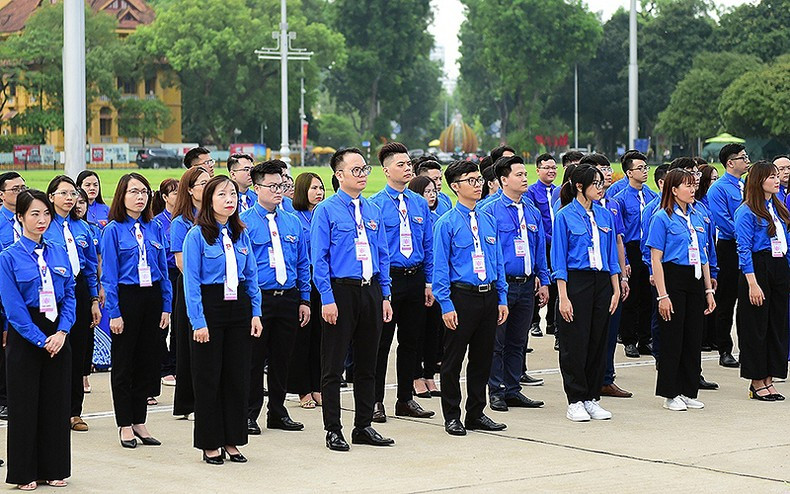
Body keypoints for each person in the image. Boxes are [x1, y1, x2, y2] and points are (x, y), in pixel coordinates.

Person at [311, 147, 394, 451]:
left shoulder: (372, 210)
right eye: (355, 170)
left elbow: (382, 254)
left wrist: (385, 294)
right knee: (333, 365)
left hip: (370, 290)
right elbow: (318, 259)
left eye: (364, 169)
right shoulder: (327, 210)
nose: (361, 175)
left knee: (367, 363)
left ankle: (364, 425)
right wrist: (327, 299)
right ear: (339, 174)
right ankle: (333, 428)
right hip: (340, 290)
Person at [183, 176, 262, 465]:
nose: (230, 199)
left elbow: (251, 275)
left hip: (238, 307)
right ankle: (210, 442)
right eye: (222, 194)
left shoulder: (240, 233)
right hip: (210, 307)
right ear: (209, 200)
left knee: (236, 376)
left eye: (232, 194)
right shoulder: (197, 235)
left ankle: (233, 439)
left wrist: (256, 312)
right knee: (209, 378)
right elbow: (190, 282)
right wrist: (198, 321)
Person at [0, 190, 74, 490]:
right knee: (25, 406)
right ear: (20, 217)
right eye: (34, 214)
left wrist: (62, 332)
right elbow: (13, 308)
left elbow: (69, 293)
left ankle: (54, 468)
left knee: (56, 405)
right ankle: (24, 472)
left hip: (57, 331)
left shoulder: (58, 250)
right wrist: (41, 339)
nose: (42, 220)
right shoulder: (8, 257)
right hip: (27, 335)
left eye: (46, 214)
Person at [433, 159, 509, 436]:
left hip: (488, 296)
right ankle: (452, 415)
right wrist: (445, 304)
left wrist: (502, 297)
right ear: (455, 186)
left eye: (479, 180)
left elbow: (497, 261)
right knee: (453, 360)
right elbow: (440, 268)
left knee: (482, 358)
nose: (478, 185)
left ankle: (476, 412)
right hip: (461, 297)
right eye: (471, 181)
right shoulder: (447, 224)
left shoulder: (488, 219)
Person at [101, 173, 172, 449]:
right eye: (134, 192)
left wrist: (166, 304)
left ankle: (140, 420)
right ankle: (125, 424)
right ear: (122, 195)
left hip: (152, 297)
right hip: (127, 298)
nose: (140, 197)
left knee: (147, 362)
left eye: (144, 192)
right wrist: (115, 313)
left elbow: (164, 272)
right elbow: (108, 275)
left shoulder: (153, 228)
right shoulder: (113, 230)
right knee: (124, 364)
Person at [241, 161, 311, 434]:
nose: (278, 191)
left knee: (283, 358)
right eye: (271, 186)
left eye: (281, 185)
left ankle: (278, 412)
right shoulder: (244, 222)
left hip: (288, 297)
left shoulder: (292, 221)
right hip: (259, 298)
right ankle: (249, 413)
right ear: (257, 188)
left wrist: (304, 299)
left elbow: (303, 263)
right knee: (254, 359)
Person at [370, 142, 435, 423]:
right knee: (381, 343)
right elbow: (375, 251)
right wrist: (383, 290)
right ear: (386, 170)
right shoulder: (375, 205)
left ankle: (405, 398)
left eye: (409, 164)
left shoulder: (419, 203)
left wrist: (429, 282)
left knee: (411, 342)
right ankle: (374, 401)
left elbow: (429, 246)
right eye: (401, 164)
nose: (408, 168)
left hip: (416, 277)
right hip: (390, 279)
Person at [552, 164, 621, 422]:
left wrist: (615, 288)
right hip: (576, 281)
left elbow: (611, 255)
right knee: (575, 343)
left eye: (602, 182)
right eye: (596, 183)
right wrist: (564, 296)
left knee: (598, 340)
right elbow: (558, 259)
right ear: (579, 186)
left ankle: (592, 397)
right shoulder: (565, 216)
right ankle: (575, 399)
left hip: (602, 280)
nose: (601, 188)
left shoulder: (605, 216)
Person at [481, 155, 548, 412]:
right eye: (518, 175)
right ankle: (495, 391)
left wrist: (544, 280)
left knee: (517, 342)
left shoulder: (531, 210)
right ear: (503, 180)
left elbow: (539, 247)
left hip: (527, 284)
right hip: (503, 285)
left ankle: (512, 389)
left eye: (524, 174)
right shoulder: (489, 210)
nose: (524, 178)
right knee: (496, 343)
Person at [648, 169, 716, 411]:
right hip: (673, 277)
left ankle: (688, 390)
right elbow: (656, 259)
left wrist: (708, 290)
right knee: (672, 338)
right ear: (674, 190)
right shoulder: (662, 218)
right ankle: (670, 392)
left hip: (695, 277)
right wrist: (663, 295)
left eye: (693, 185)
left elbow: (704, 255)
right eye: (687, 186)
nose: (692, 189)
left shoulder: (698, 215)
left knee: (692, 337)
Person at [44, 176, 101, 433]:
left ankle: (74, 412)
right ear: (51, 197)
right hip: (51, 290)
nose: (70, 198)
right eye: (63, 193)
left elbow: (90, 268)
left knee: (78, 353)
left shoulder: (83, 228)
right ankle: (51, 411)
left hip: (77, 290)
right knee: (53, 350)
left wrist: (93, 300)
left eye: (73, 194)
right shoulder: (44, 225)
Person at [734, 160, 790, 401]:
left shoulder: (776, 208)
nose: (777, 180)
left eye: (777, 176)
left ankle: (770, 377)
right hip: (758, 268)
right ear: (759, 181)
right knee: (756, 326)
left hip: (779, 266)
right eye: (771, 177)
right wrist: (752, 283)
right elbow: (743, 249)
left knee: (777, 324)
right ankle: (757, 380)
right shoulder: (746, 211)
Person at [587, 155, 632, 399]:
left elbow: (618, 239)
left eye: (606, 169)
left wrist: (623, 272)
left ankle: (606, 378)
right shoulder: (570, 208)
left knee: (611, 327)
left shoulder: (612, 204)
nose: (604, 174)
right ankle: (589, 380)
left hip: (610, 274)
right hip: (587, 276)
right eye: (598, 171)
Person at [169, 167, 210, 418]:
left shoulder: (213, 218)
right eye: (202, 183)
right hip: (191, 289)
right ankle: (190, 402)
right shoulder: (180, 223)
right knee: (190, 346)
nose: (207, 187)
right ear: (190, 190)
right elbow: (181, 263)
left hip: (215, 292)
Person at [707, 143, 749, 368]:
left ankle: (746, 348)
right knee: (726, 298)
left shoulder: (744, 185)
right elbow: (722, 220)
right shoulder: (719, 188)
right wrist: (745, 233)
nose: (747, 160)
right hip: (729, 247)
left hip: (746, 247)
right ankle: (724, 348)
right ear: (730, 162)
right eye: (743, 157)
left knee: (746, 298)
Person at [614, 150, 657, 358]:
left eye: (645, 167)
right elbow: (620, 234)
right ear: (629, 173)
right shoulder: (621, 199)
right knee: (631, 297)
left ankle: (645, 338)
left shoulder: (652, 195)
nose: (644, 171)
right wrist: (627, 261)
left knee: (648, 296)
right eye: (639, 168)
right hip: (631, 247)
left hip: (648, 246)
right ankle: (629, 339)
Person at [288, 172, 325, 408]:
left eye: (321, 188)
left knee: (321, 337)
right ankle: (303, 389)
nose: (319, 192)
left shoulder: (324, 214)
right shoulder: (294, 218)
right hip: (303, 280)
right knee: (302, 336)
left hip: (323, 280)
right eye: (314, 188)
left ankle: (317, 385)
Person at [407, 176, 443, 397]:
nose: (431, 195)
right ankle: (416, 376)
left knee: (434, 330)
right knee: (415, 332)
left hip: (437, 279)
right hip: (416, 277)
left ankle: (430, 375)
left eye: (433, 191)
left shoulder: (440, 217)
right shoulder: (413, 216)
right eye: (426, 191)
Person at [76, 170, 110, 379]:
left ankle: (100, 359)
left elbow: (97, 259)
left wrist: (102, 283)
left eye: (95, 184)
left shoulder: (105, 210)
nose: (92, 188)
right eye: (87, 184)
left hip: (96, 276)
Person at [0, 171, 27, 422]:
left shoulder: (29, 219)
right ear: (1, 195)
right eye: (14, 189)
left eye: (23, 188)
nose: (20, 193)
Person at [526, 153, 558, 345]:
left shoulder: (559, 191)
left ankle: (552, 323)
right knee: (538, 283)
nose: (551, 171)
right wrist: (550, 239)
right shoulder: (531, 192)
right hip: (542, 244)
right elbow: (535, 223)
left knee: (555, 282)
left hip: (557, 244)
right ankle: (534, 321)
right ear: (538, 170)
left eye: (553, 167)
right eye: (546, 167)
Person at [152, 179, 180, 390]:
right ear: (164, 197)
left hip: (183, 274)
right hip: (168, 272)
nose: (178, 196)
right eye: (173, 193)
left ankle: (176, 363)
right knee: (163, 322)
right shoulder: (159, 222)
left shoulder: (189, 218)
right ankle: (165, 367)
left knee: (181, 322)